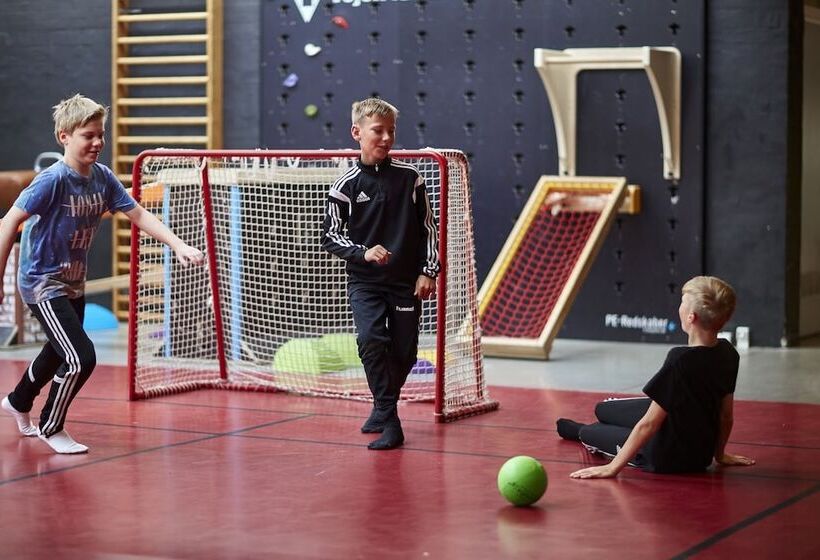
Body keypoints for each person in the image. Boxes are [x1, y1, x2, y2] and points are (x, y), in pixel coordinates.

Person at [0, 94, 204, 454]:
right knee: (81, 356)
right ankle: (51, 426)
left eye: (101, 135)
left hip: (72, 282)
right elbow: (8, 222)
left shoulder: (102, 178)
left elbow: (138, 214)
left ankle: (17, 401)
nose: (97, 143)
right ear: (64, 136)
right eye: (87, 135)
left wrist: (177, 244)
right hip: (42, 282)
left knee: (55, 352)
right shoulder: (53, 180)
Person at [321, 98, 439, 450]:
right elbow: (329, 235)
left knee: (404, 354)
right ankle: (390, 419)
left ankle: (379, 405)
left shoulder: (411, 179)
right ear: (357, 133)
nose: (386, 138)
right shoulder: (345, 185)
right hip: (366, 284)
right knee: (372, 341)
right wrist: (363, 252)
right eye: (378, 130)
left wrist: (428, 272)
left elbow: (429, 229)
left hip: (406, 283)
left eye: (391, 131)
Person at [557, 275, 756, 478]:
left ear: (691, 317)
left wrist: (612, 468)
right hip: (699, 452)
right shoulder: (729, 353)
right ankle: (598, 426)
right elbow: (726, 416)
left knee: (591, 432)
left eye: (682, 303)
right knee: (603, 409)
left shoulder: (680, 360)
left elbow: (649, 424)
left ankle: (581, 431)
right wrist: (719, 454)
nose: (679, 307)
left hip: (664, 455)